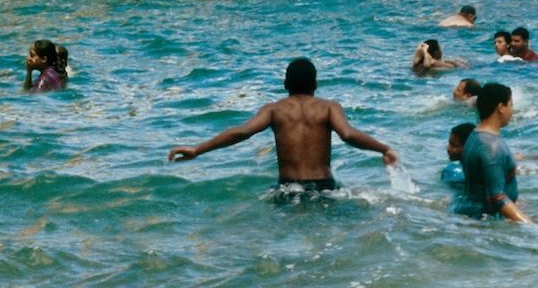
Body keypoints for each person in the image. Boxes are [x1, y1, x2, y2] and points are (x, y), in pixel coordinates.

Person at [169, 57, 397, 191]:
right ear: (316, 84)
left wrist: (197, 150)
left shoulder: (273, 109)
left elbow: (241, 132)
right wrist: (383, 149)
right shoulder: (329, 107)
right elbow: (348, 134)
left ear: (285, 83)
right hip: (324, 188)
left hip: (288, 188)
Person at [456, 83, 532, 223]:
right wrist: (532, 225)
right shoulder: (491, 145)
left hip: (468, 212)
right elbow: (497, 198)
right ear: (501, 107)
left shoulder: (474, 136)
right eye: (511, 105)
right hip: (484, 221)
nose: (512, 111)